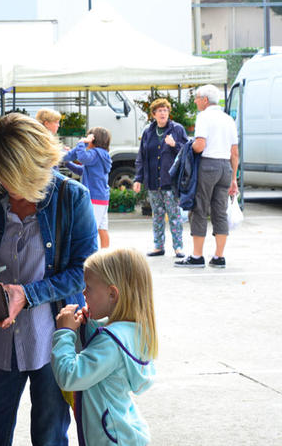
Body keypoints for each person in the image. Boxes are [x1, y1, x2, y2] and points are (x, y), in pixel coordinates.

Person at [0, 113, 98, 445]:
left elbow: (84, 273)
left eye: (15, 182)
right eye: (2, 181)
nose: (9, 192)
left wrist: (28, 294)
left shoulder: (72, 197)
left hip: (54, 340)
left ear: (38, 170)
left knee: (49, 436)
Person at [51, 247, 157, 446]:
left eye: (89, 287)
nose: (83, 293)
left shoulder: (110, 343)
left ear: (112, 294)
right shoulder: (131, 330)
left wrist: (64, 332)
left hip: (110, 440)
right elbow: (100, 352)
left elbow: (69, 376)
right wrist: (88, 324)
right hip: (121, 434)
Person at [175, 84, 239, 268]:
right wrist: (233, 179)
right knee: (220, 211)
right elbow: (234, 152)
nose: (195, 102)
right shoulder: (228, 119)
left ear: (204, 100)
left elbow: (200, 145)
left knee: (199, 209)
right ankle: (219, 257)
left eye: (197, 98)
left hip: (208, 166)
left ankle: (197, 256)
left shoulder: (204, 117)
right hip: (225, 167)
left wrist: (189, 146)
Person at [133, 98, 188, 258]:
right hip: (153, 182)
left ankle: (178, 247)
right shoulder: (148, 132)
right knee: (157, 216)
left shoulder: (177, 129)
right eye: (159, 111)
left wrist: (174, 145)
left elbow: (187, 152)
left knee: (174, 216)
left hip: (170, 181)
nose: (163, 113)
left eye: (165, 110)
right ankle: (158, 246)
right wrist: (138, 178)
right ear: (154, 114)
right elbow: (141, 157)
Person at [64, 127, 113, 248]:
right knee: (102, 228)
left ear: (93, 139)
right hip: (102, 197)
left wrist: (82, 142)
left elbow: (82, 158)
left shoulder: (95, 153)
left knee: (90, 229)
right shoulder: (103, 154)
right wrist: (68, 163)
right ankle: (105, 254)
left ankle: (90, 254)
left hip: (94, 197)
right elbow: (82, 170)